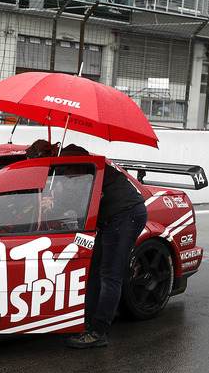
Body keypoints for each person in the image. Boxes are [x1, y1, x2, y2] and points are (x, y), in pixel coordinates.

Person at [58, 144, 147, 349]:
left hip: (125, 216)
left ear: (76, 164)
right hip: (114, 218)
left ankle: (98, 332)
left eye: (67, 169)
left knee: (109, 274)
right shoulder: (86, 170)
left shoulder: (90, 172)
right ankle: (92, 321)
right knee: (96, 271)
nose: (66, 174)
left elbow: (76, 206)